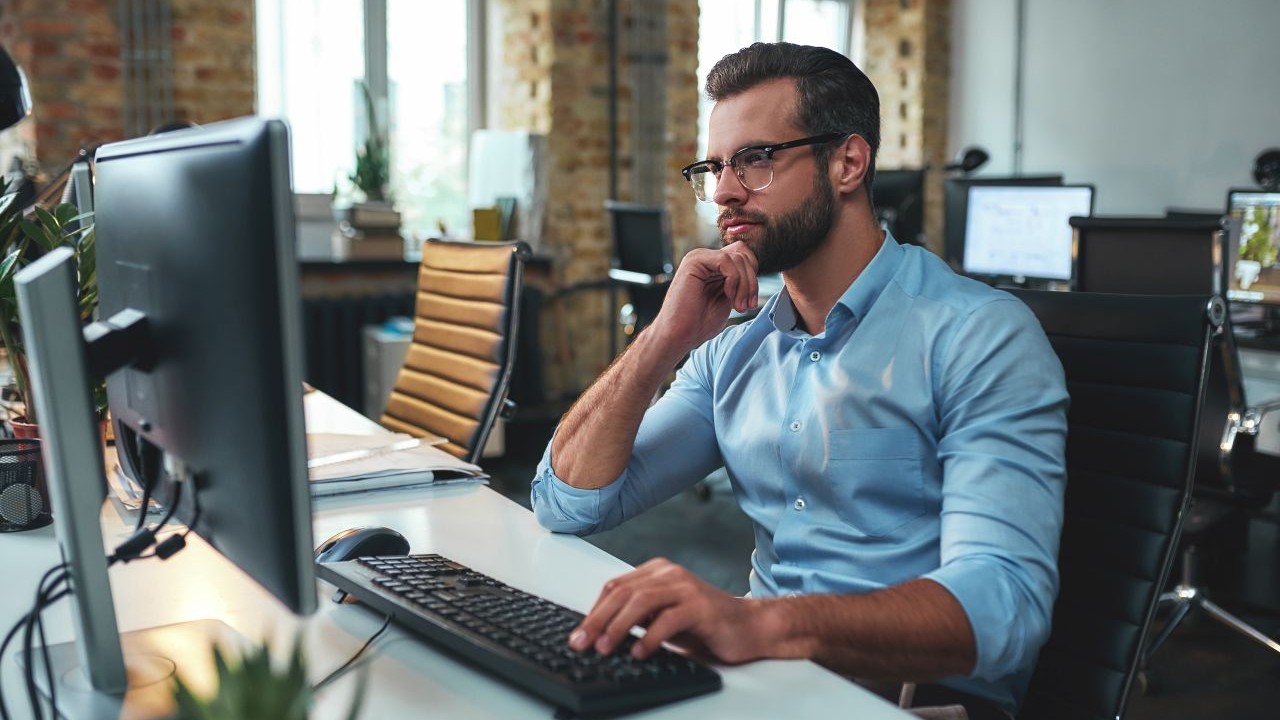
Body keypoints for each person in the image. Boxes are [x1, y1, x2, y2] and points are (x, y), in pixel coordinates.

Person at [530, 41, 1068, 719]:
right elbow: (568, 503)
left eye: (755, 160)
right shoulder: (733, 352)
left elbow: (1004, 609)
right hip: (767, 681)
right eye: (715, 167)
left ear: (848, 162)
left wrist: (761, 625)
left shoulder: (978, 336)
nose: (723, 191)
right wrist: (659, 342)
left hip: (913, 697)